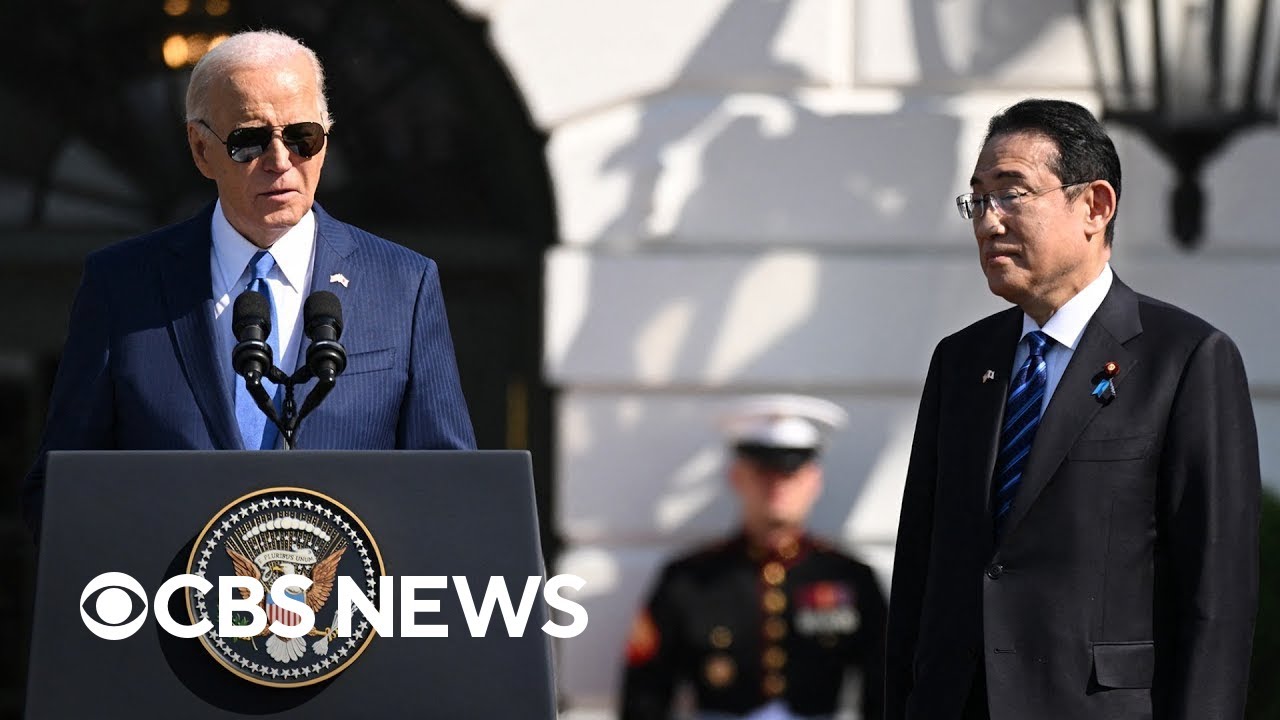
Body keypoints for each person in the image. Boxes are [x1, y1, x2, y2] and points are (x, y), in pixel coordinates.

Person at [885, 98, 1260, 720]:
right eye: (977, 200)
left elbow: (1215, 598)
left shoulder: (1186, 359)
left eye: (1011, 194)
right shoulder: (961, 362)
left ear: (1095, 206)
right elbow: (919, 575)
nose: (987, 221)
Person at [22, 30, 474, 536]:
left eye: (303, 137)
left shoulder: (403, 283)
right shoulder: (123, 285)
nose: (281, 161)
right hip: (171, 606)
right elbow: (61, 488)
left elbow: (450, 489)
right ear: (200, 149)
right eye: (250, 141)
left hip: (344, 607)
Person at [621, 394, 886, 720]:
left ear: (813, 481)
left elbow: (885, 688)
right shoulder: (689, 579)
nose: (777, 486)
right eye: (763, 471)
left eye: (790, 472)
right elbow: (644, 695)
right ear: (737, 477)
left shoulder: (849, 578)